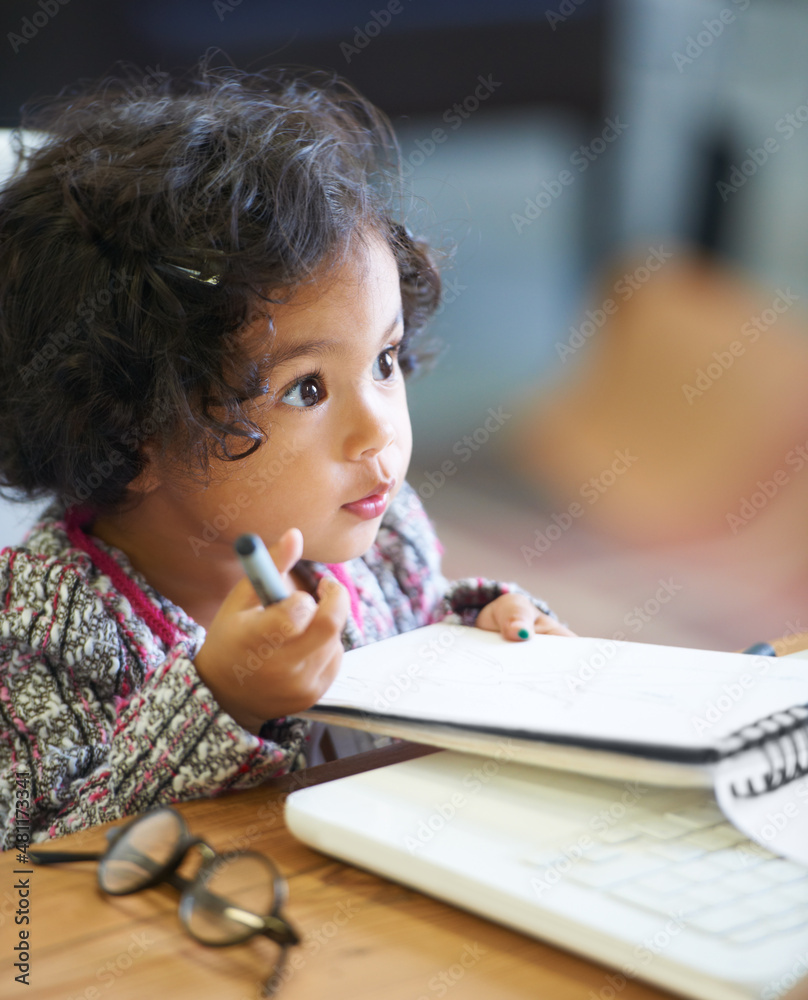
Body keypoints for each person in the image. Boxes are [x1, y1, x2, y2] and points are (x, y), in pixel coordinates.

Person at [0, 61, 573, 850]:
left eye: (383, 361)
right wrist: (223, 701)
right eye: (306, 390)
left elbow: (417, 625)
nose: (379, 434)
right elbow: (32, 871)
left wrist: (480, 628)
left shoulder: (380, 531)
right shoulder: (48, 627)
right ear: (133, 433)